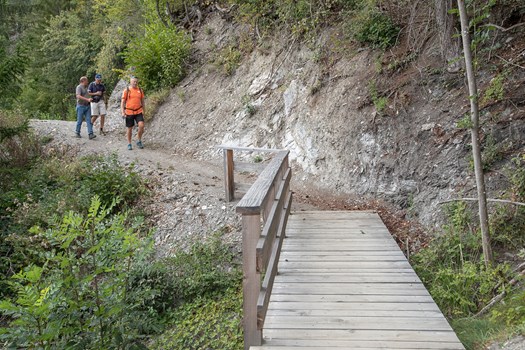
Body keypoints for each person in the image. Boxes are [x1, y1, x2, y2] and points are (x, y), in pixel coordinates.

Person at [121, 76, 145, 150]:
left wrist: (144, 110)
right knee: (129, 129)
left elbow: (143, 101)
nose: (135, 83)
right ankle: (129, 143)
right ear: (130, 82)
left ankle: (138, 139)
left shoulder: (140, 90)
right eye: (134, 81)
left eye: (136, 81)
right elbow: (123, 102)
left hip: (138, 111)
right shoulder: (127, 90)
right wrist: (122, 112)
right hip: (129, 112)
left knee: (141, 125)